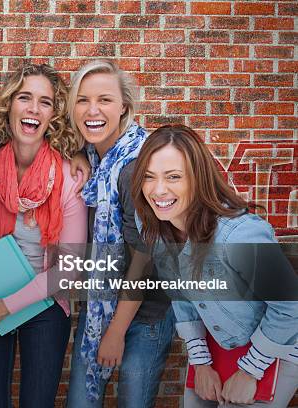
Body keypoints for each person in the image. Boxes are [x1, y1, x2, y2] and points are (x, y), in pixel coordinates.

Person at [130, 124, 298, 407]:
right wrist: (201, 363)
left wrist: (250, 371)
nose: (158, 190)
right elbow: (180, 294)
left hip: (277, 347)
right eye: (149, 177)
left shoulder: (239, 234)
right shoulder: (154, 223)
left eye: (173, 177)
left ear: (198, 179)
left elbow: (291, 306)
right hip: (218, 345)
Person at [0, 63, 87, 408]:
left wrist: (10, 305)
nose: (33, 108)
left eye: (44, 102)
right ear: (10, 105)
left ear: (53, 115)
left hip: (45, 304)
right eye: (24, 97)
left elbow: (70, 268)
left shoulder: (68, 177)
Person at [66, 59, 174, 407]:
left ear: (124, 106)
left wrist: (114, 333)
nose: (92, 110)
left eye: (105, 100)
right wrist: (75, 153)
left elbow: (145, 257)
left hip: (146, 313)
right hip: (100, 305)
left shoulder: (134, 167)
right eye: (82, 100)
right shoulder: (95, 159)